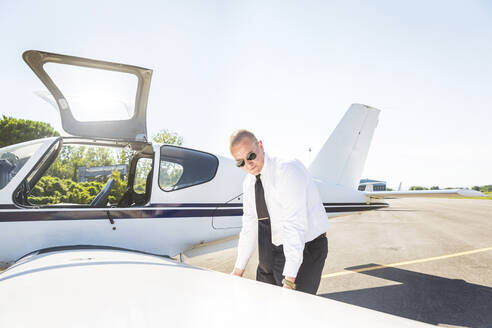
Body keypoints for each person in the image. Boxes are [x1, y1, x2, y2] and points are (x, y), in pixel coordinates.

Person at [229, 129, 329, 294]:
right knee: (265, 303)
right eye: (240, 163)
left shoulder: (287, 170)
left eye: (251, 156)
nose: (248, 164)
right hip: (274, 248)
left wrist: (289, 281)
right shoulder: (249, 184)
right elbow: (249, 226)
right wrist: (238, 270)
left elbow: (294, 224)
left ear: (260, 145)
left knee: (294, 309)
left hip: (306, 246)